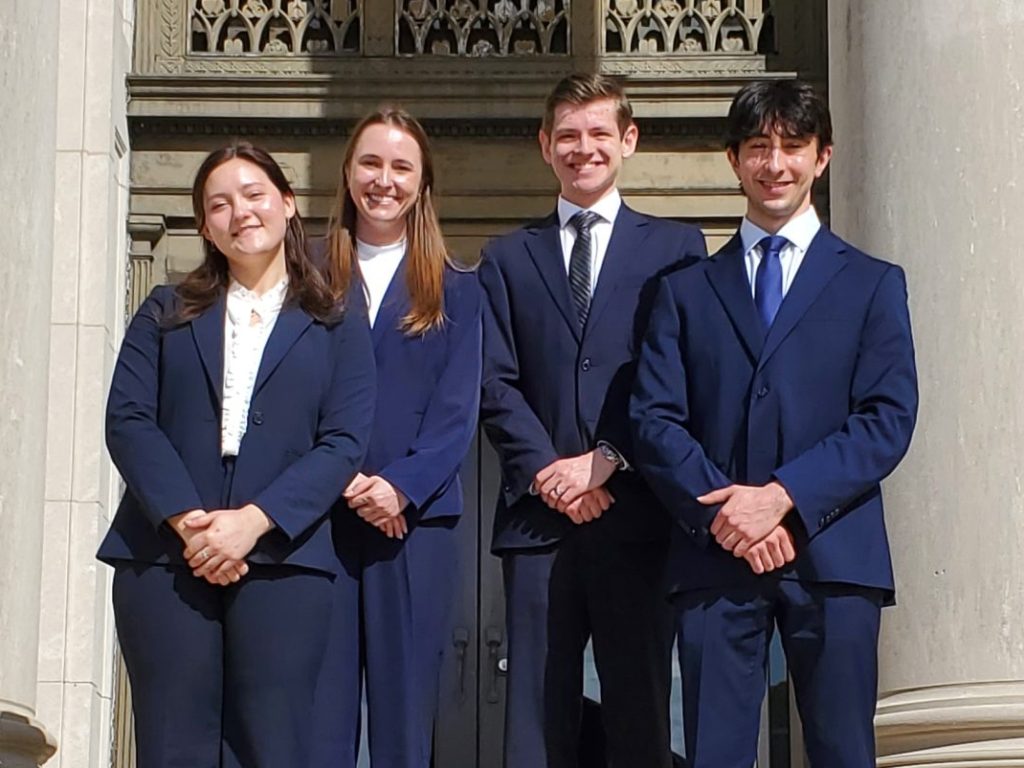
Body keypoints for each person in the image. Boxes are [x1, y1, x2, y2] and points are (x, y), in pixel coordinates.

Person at [630, 79, 919, 767]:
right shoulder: (684, 291)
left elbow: (886, 418)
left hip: (833, 556)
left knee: (842, 751)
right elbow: (654, 419)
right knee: (714, 754)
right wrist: (729, 516)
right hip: (715, 558)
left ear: (823, 157)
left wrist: (781, 498)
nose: (775, 163)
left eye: (793, 146)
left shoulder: (873, 284)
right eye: (758, 147)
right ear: (733, 161)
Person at [97, 142, 376, 767]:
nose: (239, 213)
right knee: (174, 747)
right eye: (218, 204)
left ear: (286, 203)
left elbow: (344, 439)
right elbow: (128, 419)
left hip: (284, 558)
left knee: (272, 746)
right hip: (166, 556)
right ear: (204, 226)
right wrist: (189, 522)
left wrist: (252, 522)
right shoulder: (164, 311)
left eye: (253, 195)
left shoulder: (335, 319)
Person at [478, 73, 707, 768]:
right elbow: (492, 378)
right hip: (538, 522)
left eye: (599, 134)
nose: (584, 149)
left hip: (637, 516)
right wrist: (549, 472)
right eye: (568, 136)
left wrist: (606, 458)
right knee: (536, 721)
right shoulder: (505, 256)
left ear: (628, 140)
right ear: (546, 146)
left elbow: (675, 376)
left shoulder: (676, 250)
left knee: (639, 712)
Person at [311, 108, 481, 768]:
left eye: (401, 166)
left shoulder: (461, 289)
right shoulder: (303, 280)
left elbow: (456, 411)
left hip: (413, 527)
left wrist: (400, 487)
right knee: (318, 720)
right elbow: (292, 396)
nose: (385, 180)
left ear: (422, 183)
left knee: (404, 722)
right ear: (348, 174)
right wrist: (341, 477)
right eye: (371, 163)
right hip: (318, 521)